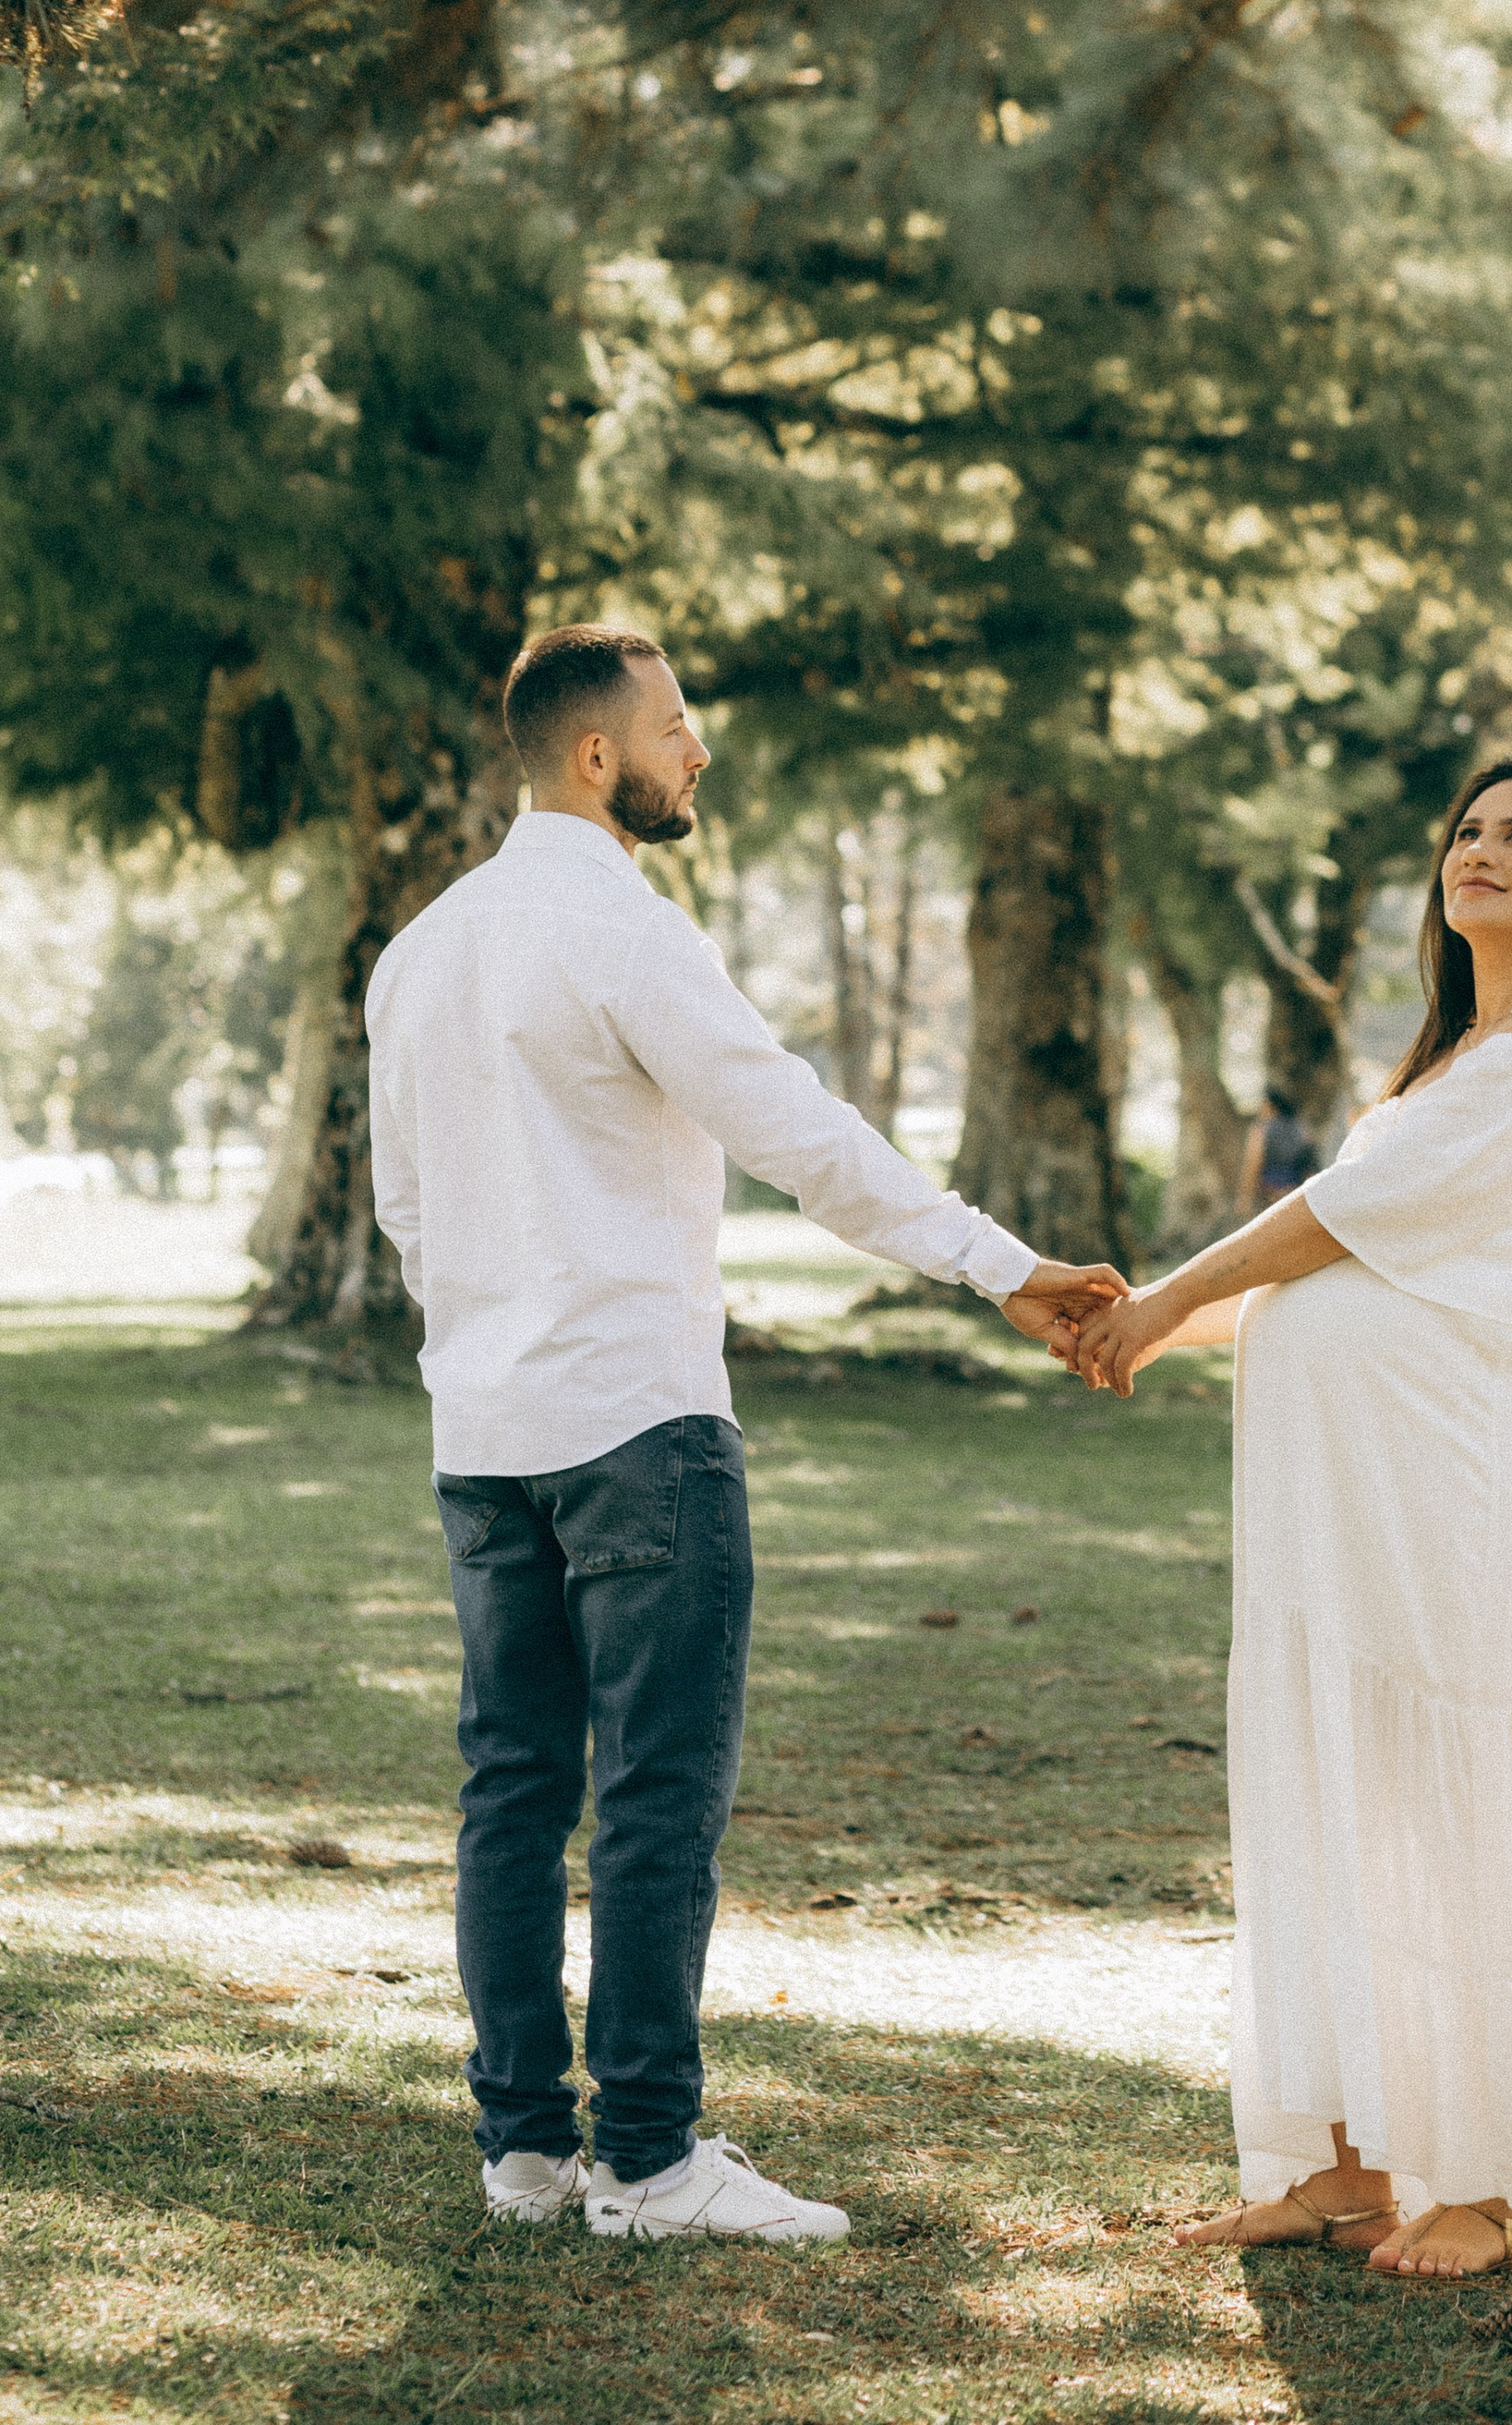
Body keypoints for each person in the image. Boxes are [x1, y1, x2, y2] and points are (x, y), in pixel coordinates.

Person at [367, 624, 1126, 2244]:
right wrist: (994, 1265)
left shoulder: (421, 949)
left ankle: (523, 2152)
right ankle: (644, 2160)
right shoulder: (621, 928)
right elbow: (796, 1130)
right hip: (639, 1424)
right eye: (674, 723)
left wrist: (477, 1349)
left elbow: (406, 1213)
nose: (695, 748)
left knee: (510, 1788)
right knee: (652, 1796)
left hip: (485, 1432)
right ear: (596, 757)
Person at [1061, 756, 1512, 2273]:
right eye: (1468, 832)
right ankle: (1354, 2162)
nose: (1483, 853)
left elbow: (1333, 1225)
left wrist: (1165, 1302)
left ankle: (1492, 2184)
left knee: (1465, 1811)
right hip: (1362, 1520)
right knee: (1352, 1807)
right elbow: (1374, 1276)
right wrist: (1183, 1322)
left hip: (1465, 1514)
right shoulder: (1459, 1057)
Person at [1234, 1085, 1315, 1223]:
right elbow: (1309, 1162)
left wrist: (1245, 1197)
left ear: (1270, 1105)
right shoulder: (1301, 1127)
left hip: (1271, 1194)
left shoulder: (1260, 1131)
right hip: (1297, 1193)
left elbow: (1253, 1165)